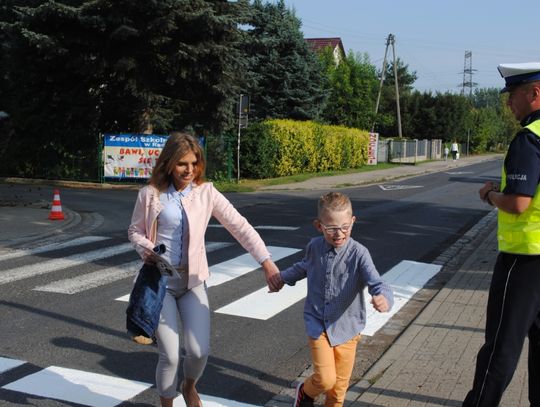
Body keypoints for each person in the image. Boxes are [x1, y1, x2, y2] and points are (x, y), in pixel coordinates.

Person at [127, 131, 281, 407]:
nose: (189, 170)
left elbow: (240, 226)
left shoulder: (206, 193)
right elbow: (135, 231)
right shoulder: (150, 195)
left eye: (194, 163)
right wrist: (146, 249)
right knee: (171, 355)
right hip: (160, 283)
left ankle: (189, 386)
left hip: (193, 283)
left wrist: (266, 262)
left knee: (199, 352)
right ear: (169, 163)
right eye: (182, 163)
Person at [269, 192, 394, 407]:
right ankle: (305, 393)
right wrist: (282, 277)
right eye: (331, 228)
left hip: (347, 328)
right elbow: (304, 266)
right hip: (317, 323)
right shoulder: (314, 247)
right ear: (319, 226)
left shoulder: (359, 254)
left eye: (345, 227)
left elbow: (377, 282)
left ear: (353, 222)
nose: (339, 234)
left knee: (338, 391)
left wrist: (383, 298)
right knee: (326, 380)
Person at [463, 62, 540, 407]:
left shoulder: (529, 138)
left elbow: (520, 203)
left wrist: (490, 195)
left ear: (534, 94)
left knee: (500, 349)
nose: (508, 104)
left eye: (512, 96)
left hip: (523, 259)